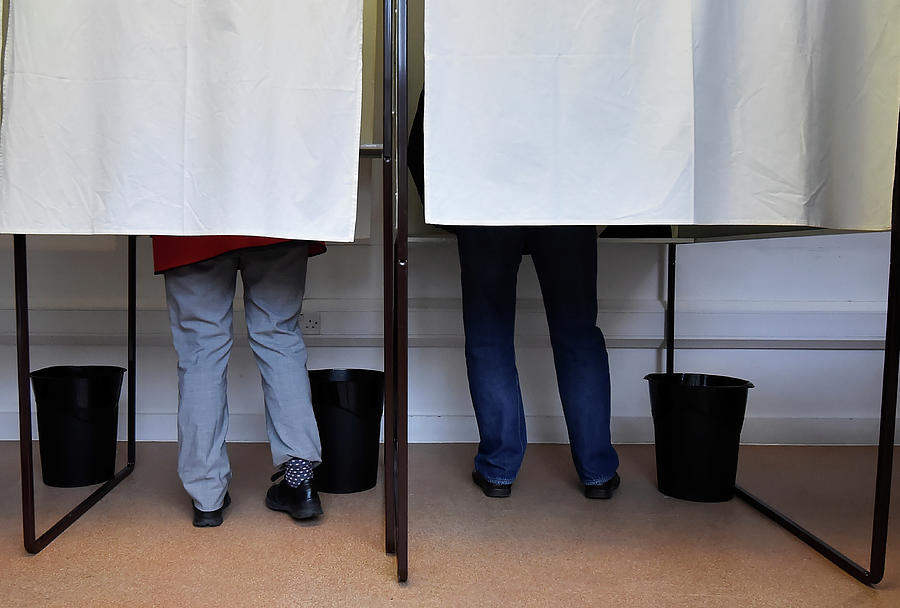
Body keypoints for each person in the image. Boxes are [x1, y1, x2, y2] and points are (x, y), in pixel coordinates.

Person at [409, 93, 620, 499]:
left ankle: (498, 471)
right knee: (578, 336)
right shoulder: (577, 41)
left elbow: (422, 140)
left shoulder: (465, 45)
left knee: (489, 338)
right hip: (567, 200)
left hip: (484, 202)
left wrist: (448, 213)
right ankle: (597, 473)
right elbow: (608, 126)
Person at [153, 235, 326, 526]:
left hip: (194, 220)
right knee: (279, 337)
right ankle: (301, 482)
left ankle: (207, 496)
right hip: (274, 215)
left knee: (201, 349)